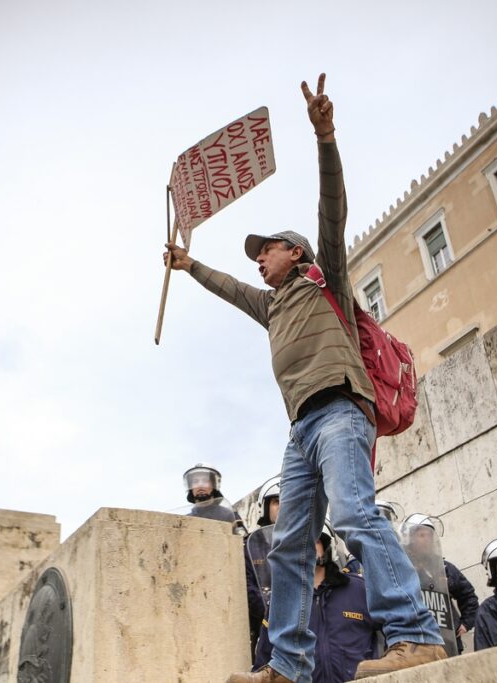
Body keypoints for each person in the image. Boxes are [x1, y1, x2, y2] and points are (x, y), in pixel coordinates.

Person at [164, 73, 445, 683]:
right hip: (301, 430)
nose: (259, 258)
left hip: (342, 410)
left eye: (267, 249)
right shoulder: (271, 306)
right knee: (287, 543)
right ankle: (288, 665)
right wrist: (189, 267)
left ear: (295, 252)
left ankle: (418, 634)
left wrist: (325, 137)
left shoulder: (326, 284)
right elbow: (231, 289)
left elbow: (332, 207)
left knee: (353, 516)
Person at [253, 530, 377, 682]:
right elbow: (263, 662)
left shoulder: (358, 589)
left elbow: (392, 636)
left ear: (326, 547)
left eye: (315, 540)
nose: (307, 546)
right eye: (300, 542)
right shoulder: (282, 600)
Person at [402, 514, 478, 654]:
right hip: (417, 643)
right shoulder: (403, 568)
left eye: (430, 535)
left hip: (448, 642)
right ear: (410, 539)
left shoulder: (445, 568)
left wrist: (466, 623)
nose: (427, 539)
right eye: (422, 535)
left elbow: (469, 596)